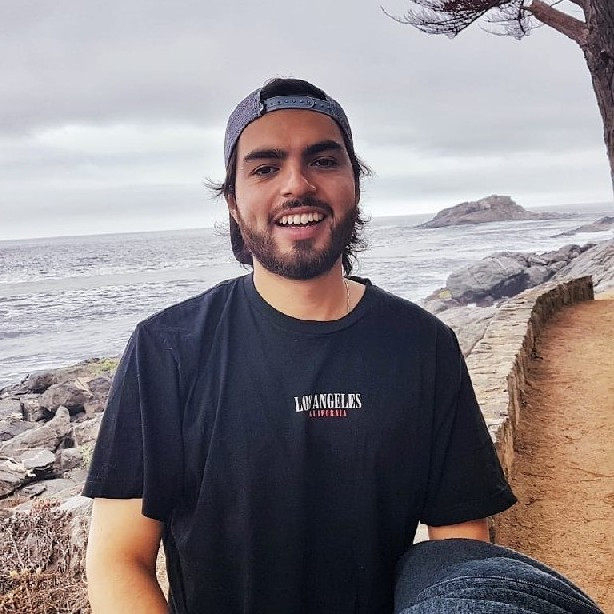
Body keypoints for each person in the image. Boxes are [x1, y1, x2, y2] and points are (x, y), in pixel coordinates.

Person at [83, 77, 518, 613]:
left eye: (323, 161)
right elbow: (118, 559)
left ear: (354, 184)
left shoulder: (424, 346)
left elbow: (458, 545)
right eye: (265, 168)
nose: (297, 185)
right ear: (233, 202)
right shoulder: (166, 349)